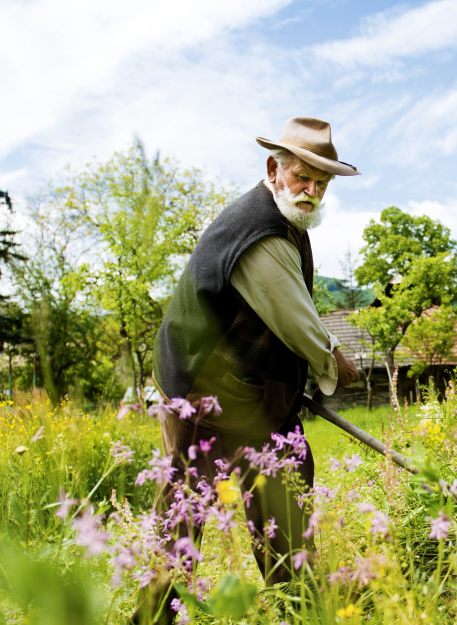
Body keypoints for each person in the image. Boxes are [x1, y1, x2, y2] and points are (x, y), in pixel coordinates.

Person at [138, 117, 361, 623]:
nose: (311, 192)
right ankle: (151, 620)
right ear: (274, 169)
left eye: (321, 184)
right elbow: (296, 318)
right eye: (303, 177)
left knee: (285, 508)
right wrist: (333, 361)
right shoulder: (259, 232)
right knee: (182, 521)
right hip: (203, 396)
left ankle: (298, 611)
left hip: (259, 396)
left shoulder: (288, 221)